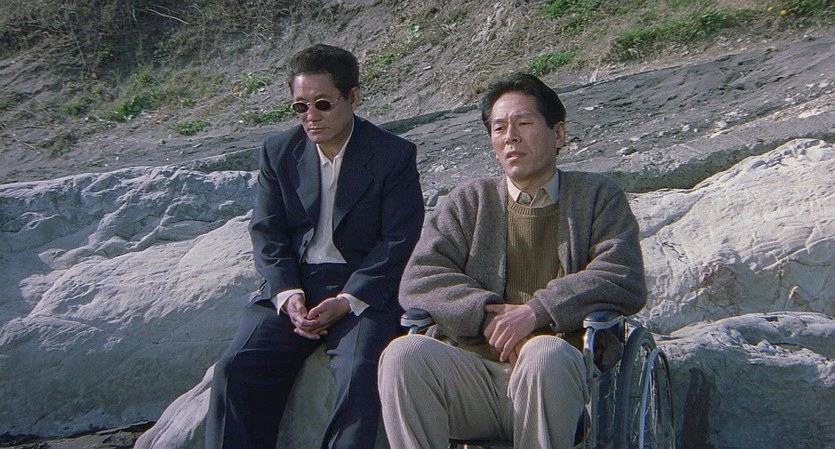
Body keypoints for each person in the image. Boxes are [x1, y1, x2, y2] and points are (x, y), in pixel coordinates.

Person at [377, 72, 646, 449]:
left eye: (524, 123)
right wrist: (487, 317)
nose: (510, 137)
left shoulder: (597, 196)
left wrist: (536, 312)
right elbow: (420, 278)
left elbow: (621, 274)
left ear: (558, 134)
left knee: (542, 351)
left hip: (556, 376)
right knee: (402, 354)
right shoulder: (469, 201)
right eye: (499, 127)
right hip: (473, 376)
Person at [205, 44, 425, 449]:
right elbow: (267, 231)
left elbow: (399, 240)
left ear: (353, 97)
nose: (311, 116)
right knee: (236, 368)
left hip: (362, 290)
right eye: (300, 107)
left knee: (360, 373)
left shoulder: (393, 155)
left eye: (323, 104)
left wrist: (347, 300)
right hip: (297, 285)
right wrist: (287, 294)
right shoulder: (279, 151)